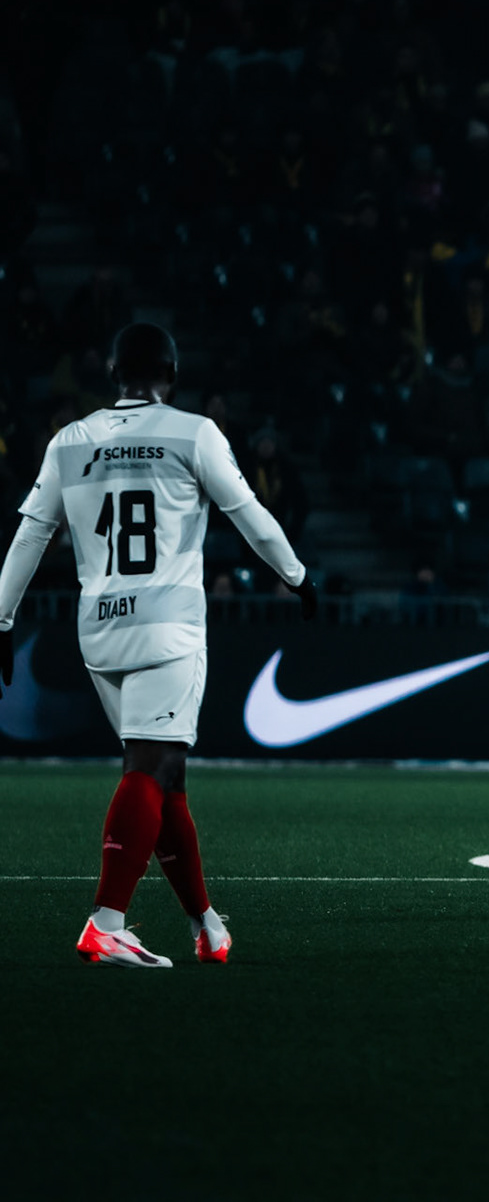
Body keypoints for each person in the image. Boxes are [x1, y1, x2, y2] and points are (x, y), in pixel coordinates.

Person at [0, 323, 318, 968]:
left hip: (99, 629)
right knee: (150, 769)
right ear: (171, 373)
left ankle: (205, 924)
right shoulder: (193, 431)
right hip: (167, 627)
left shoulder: (70, 439)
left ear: (114, 373)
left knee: (164, 777)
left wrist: (2, 621)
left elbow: (32, 536)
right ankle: (106, 922)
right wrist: (297, 576)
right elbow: (249, 512)